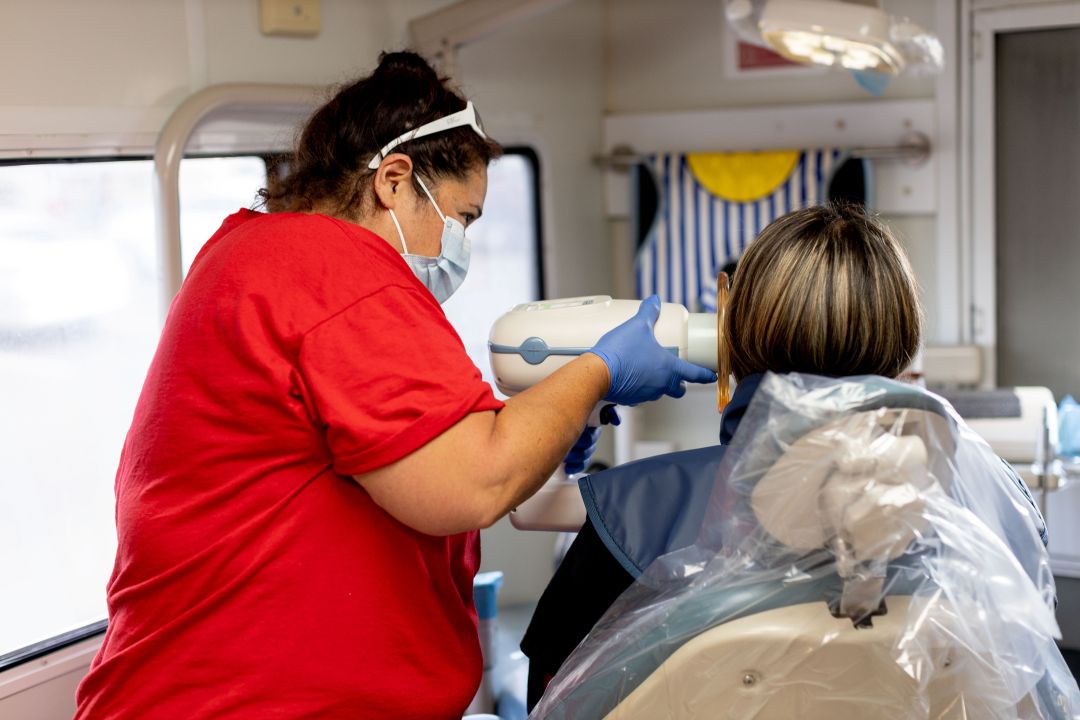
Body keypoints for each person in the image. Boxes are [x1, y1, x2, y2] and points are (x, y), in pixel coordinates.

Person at [73, 51, 716, 720]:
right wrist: (599, 372)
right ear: (393, 180)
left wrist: (547, 428)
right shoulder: (335, 273)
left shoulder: (255, 255)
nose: (460, 240)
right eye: (461, 217)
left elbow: (401, 456)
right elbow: (473, 482)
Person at [521, 202, 1050, 710]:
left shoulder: (633, 513)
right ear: (903, 337)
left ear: (734, 334)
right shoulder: (993, 507)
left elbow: (555, 697)